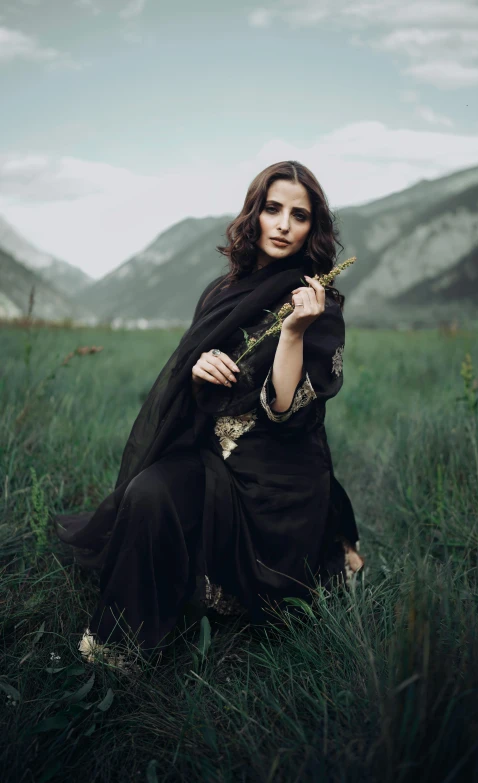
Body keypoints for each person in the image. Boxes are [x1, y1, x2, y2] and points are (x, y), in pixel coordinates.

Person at [54, 160, 364, 662]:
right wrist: (201, 368)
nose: (284, 224)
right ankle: (119, 647)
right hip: (214, 455)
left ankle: (331, 557)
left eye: (299, 215)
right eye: (272, 209)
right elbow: (195, 393)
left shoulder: (317, 305)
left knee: (278, 585)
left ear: (314, 228)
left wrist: (292, 333)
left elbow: (285, 413)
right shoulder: (221, 293)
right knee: (147, 493)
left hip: (279, 477)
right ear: (254, 214)